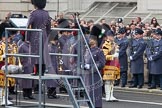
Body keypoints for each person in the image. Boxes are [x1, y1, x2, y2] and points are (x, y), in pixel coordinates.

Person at [27, 0, 51, 93]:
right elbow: (49, 27)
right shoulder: (46, 13)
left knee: (35, 53)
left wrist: (27, 37)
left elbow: (29, 26)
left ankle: (37, 71)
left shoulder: (33, 13)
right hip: (44, 34)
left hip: (35, 34)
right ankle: (42, 70)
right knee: (43, 52)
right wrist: (46, 34)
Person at [84, 36, 106, 108]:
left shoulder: (99, 51)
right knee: (89, 94)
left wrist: (91, 66)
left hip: (95, 75)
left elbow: (102, 63)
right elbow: (84, 60)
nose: (89, 40)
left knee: (96, 94)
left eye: (91, 39)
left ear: (95, 41)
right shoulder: (87, 50)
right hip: (87, 75)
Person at [102, 30, 120, 102]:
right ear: (108, 37)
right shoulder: (105, 45)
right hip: (108, 65)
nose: (113, 37)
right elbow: (104, 56)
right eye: (111, 36)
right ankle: (107, 96)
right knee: (108, 81)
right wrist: (113, 55)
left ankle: (111, 95)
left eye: (113, 36)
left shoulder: (115, 44)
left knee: (112, 81)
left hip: (114, 64)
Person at [46, 30, 59, 99]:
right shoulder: (49, 47)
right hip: (50, 66)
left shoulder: (55, 46)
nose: (56, 41)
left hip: (55, 65)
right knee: (50, 81)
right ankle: (49, 93)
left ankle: (53, 93)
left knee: (54, 81)